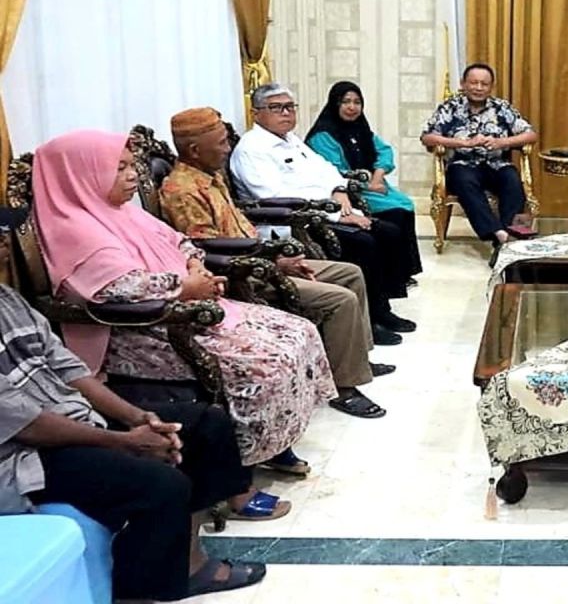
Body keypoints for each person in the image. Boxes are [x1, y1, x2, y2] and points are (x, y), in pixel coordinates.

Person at [33, 129, 337, 474]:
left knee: (298, 331)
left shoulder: (121, 211)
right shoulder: (73, 228)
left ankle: (275, 438)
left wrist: (194, 267)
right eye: (119, 168)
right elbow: (119, 288)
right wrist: (185, 287)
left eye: (131, 166)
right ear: (81, 174)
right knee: (263, 362)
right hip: (142, 329)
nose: (133, 176)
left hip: (191, 306)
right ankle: (244, 456)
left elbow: (180, 241)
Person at [0, 215, 270, 600]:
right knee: (160, 484)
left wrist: (137, 417)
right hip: (20, 456)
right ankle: (142, 587)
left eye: (3, 235)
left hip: (70, 418)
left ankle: (188, 561)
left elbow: (70, 369)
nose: (4, 244)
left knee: (205, 424)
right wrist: (124, 442)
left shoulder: (7, 300)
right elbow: (24, 423)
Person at [161, 106, 393, 419]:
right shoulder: (183, 190)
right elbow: (205, 249)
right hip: (244, 274)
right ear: (194, 150)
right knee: (340, 299)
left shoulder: (209, 175)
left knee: (350, 274)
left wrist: (277, 256)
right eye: (222, 143)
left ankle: (353, 360)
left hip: (263, 258)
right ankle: (345, 388)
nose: (227, 149)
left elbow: (239, 225)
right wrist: (273, 262)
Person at [230, 83, 418, 334]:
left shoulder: (291, 140)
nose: (286, 113)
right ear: (256, 113)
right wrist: (337, 214)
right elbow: (276, 198)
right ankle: (370, 321)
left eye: (290, 107)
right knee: (365, 243)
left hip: (326, 210)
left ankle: (382, 309)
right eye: (276, 108)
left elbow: (326, 169)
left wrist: (339, 190)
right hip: (294, 225)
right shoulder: (252, 149)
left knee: (389, 231)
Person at [305, 81, 424, 279]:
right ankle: (393, 273)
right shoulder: (323, 136)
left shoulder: (361, 129)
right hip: (346, 191)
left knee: (405, 203)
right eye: (346, 102)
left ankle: (404, 271)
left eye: (357, 102)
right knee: (396, 210)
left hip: (370, 186)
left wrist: (377, 178)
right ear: (335, 104)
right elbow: (334, 171)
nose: (352, 107)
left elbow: (384, 151)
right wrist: (368, 185)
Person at [420, 63, 538, 245]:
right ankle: (499, 233)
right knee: (464, 180)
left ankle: (509, 235)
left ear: (491, 87)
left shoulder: (501, 108)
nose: (479, 88)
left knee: (512, 180)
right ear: (463, 84)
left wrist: (502, 142)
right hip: (463, 165)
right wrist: (464, 143)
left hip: (497, 163)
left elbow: (531, 135)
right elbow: (427, 137)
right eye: (474, 83)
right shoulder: (450, 107)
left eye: (484, 84)